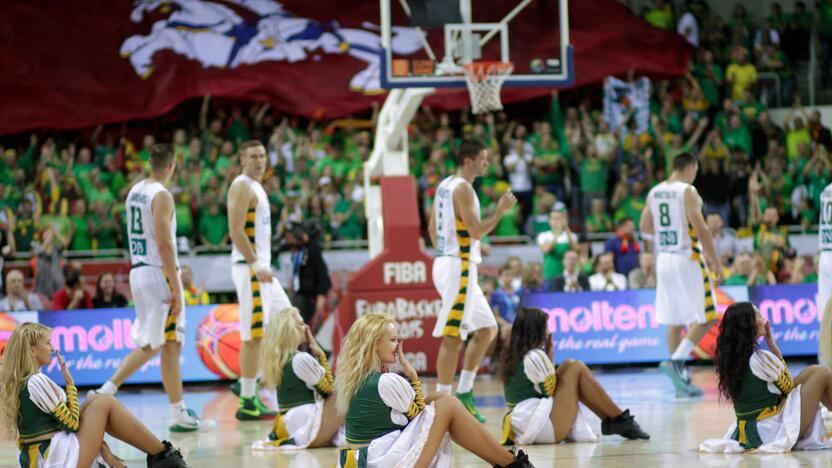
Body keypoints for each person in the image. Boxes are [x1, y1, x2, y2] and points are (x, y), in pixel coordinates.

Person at [91, 144, 212, 432]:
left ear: (150, 164)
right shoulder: (162, 195)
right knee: (155, 344)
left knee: (165, 343)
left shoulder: (134, 191)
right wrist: (176, 285)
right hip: (158, 272)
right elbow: (164, 243)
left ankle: (177, 411)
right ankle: (106, 390)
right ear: (171, 166)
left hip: (139, 270)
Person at [334, 312, 533, 468]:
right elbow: (419, 414)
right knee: (448, 404)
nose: (398, 345)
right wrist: (413, 378)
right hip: (384, 460)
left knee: (439, 399)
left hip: (369, 459)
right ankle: (511, 463)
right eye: (393, 340)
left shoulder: (356, 378)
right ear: (374, 344)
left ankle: (507, 462)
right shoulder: (385, 382)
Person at [0, 323, 188, 468]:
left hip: (45, 456)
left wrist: (102, 447)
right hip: (56, 460)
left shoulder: (22, 381)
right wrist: (71, 385)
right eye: (48, 343)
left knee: (94, 400)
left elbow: (62, 423)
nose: (53, 348)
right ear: (32, 350)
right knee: (104, 401)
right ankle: (165, 457)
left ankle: (162, 456)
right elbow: (71, 424)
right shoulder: (37, 381)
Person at [428, 139, 517, 423]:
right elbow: (477, 230)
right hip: (459, 268)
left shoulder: (445, 185)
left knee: (488, 329)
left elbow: (432, 227)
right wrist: (501, 210)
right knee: (453, 335)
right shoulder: (464, 189)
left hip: (448, 262)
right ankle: (442, 402)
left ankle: (464, 393)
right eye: (483, 159)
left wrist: (452, 250)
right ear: (468, 160)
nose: (487, 164)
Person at [499, 308, 649, 445]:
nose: (548, 331)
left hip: (526, 423)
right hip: (539, 427)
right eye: (545, 326)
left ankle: (617, 420)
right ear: (536, 331)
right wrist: (550, 354)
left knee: (569, 367)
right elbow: (549, 391)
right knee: (575, 367)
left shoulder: (515, 355)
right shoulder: (534, 356)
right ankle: (620, 420)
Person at [700, 302, 831, 452]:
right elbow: (787, 388)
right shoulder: (758, 359)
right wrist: (772, 345)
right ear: (748, 324)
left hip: (753, 429)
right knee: (823, 373)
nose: (764, 319)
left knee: (815, 370)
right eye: (759, 315)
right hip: (772, 431)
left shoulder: (737, 359)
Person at [641, 152, 721, 397]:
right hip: (687, 257)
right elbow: (701, 227)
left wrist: (648, 252)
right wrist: (715, 260)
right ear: (691, 168)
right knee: (708, 316)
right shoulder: (687, 190)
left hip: (663, 257)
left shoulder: (654, 191)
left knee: (674, 320)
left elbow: (645, 226)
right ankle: (676, 362)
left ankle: (680, 382)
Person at [227, 140, 291, 420]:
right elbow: (235, 231)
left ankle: (247, 382)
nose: (259, 160)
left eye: (262, 155)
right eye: (253, 156)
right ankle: (248, 401)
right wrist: (256, 264)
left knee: (290, 322)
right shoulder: (241, 185)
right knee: (254, 336)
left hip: (262, 268)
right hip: (251, 269)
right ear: (242, 159)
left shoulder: (257, 186)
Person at [251, 307, 344, 450]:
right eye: (300, 324)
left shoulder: (282, 359)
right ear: (290, 331)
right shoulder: (300, 359)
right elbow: (328, 390)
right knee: (348, 389)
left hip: (292, 421)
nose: (306, 327)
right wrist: (320, 354)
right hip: (304, 419)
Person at [285, 221, 331, 325]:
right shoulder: (300, 248)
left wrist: (321, 294)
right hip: (299, 292)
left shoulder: (313, 248)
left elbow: (322, 271)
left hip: (309, 294)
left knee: (303, 324)